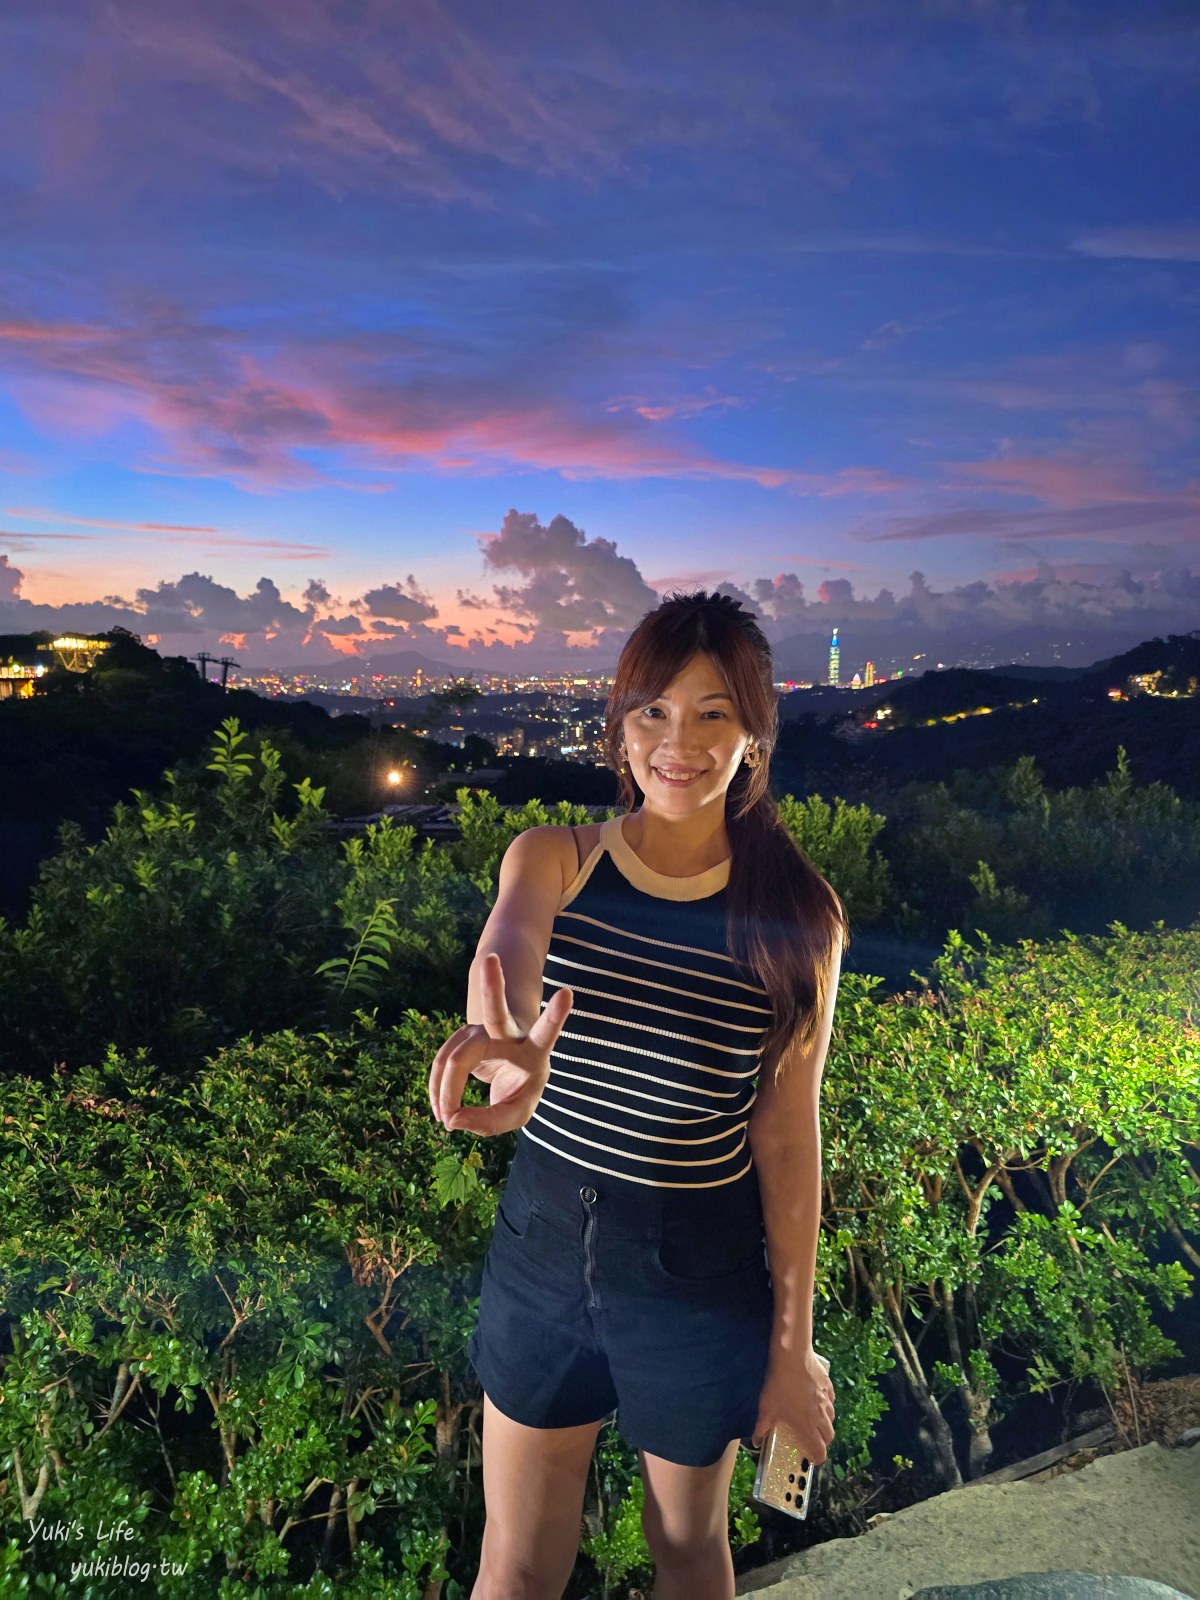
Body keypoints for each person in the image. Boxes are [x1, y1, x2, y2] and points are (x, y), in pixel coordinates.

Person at [429, 590, 847, 1600]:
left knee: (690, 1550)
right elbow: (511, 946)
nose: (680, 741)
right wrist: (505, 1038)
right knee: (519, 1563)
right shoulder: (555, 858)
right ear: (617, 724)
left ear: (755, 730)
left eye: (713, 712)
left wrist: (790, 1351)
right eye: (653, 710)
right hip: (544, 1252)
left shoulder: (796, 916)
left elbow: (789, 1140)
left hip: (699, 1265)